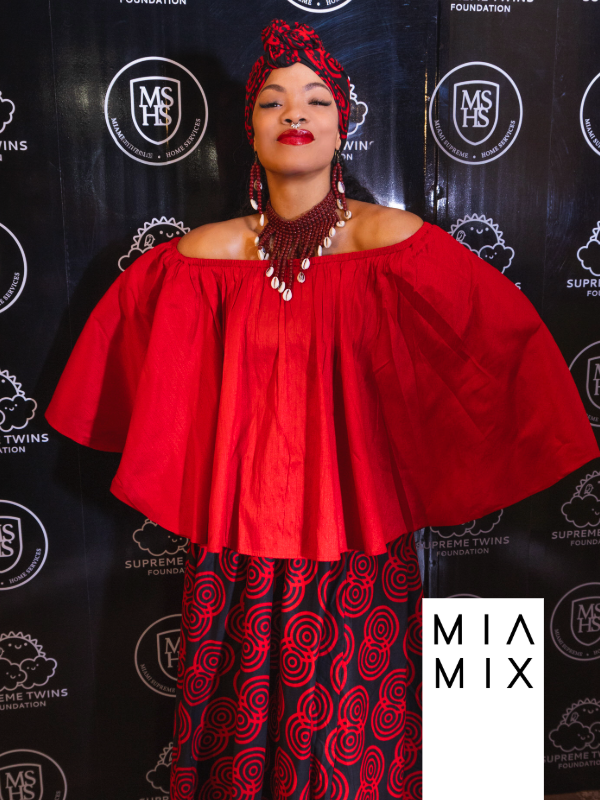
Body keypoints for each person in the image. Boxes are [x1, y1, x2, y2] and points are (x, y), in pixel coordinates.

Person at [45, 20, 599, 800]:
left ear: (342, 125)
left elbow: (498, 349)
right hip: (237, 553)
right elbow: (129, 372)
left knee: (352, 747)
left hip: (360, 553)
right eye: (273, 100)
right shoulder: (199, 259)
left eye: (314, 99)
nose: (294, 112)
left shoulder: (395, 243)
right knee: (238, 741)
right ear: (251, 130)